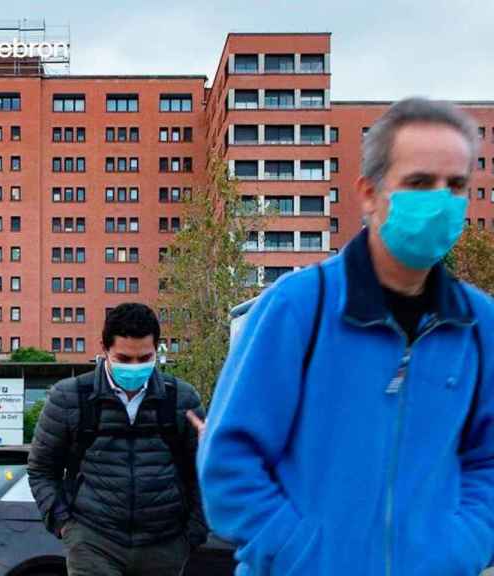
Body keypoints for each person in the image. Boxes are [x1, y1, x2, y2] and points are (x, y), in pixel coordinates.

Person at [198, 97, 494, 575]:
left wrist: (462, 547)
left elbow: (488, 461)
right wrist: (298, 550)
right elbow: (229, 462)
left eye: (455, 185)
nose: (440, 200)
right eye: (419, 182)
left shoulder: (480, 325)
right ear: (370, 194)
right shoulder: (298, 308)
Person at [28, 303, 207, 576]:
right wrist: (64, 525)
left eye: (144, 358)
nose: (135, 368)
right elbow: (42, 469)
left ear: (156, 350)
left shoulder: (181, 399)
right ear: (104, 349)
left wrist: (193, 532)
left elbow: (202, 474)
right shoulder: (70, 397)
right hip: (93, 541)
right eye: (124, 359)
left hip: (165, 544)